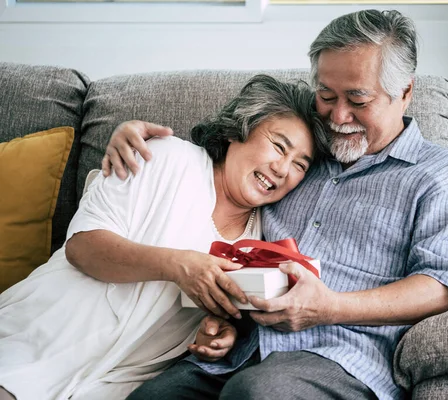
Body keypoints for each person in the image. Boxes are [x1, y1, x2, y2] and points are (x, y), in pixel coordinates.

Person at [104, 9, 448, 400]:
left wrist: (331, 307)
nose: (338, 116)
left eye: (357, 99)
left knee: (257, 392)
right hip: (238, 351)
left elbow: (445, 287)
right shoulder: (299, 157)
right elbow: (222, 155)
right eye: (325, 95)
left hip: (341, 359)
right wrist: (132, 133)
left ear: (404, 93)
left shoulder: (443, 177)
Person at [0, 75, 329, 400]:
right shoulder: (164, 157)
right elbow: (82, 248)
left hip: (119, 382)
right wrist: (178, 265)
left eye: (300, 164)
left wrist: (217, 334)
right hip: (45, 336)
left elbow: (217, 318)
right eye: (278, 146)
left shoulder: (262, 241)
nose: (283, 169)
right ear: (236, 130)